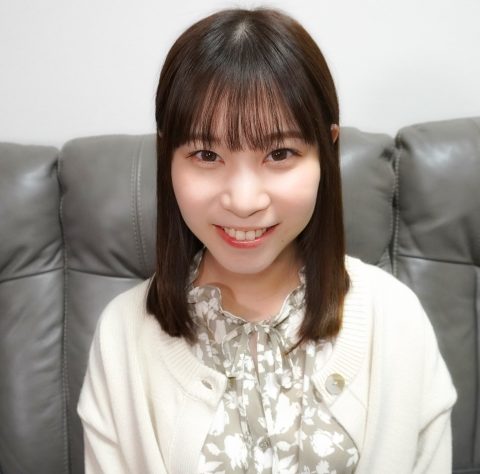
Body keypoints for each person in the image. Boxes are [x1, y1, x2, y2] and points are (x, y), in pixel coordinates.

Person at [77, 7, 457, 474]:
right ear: (166, 157)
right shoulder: (123, 337)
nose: (244, 201)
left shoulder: (395, 321)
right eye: (206, 154)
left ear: (327, 151)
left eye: (279, 153)